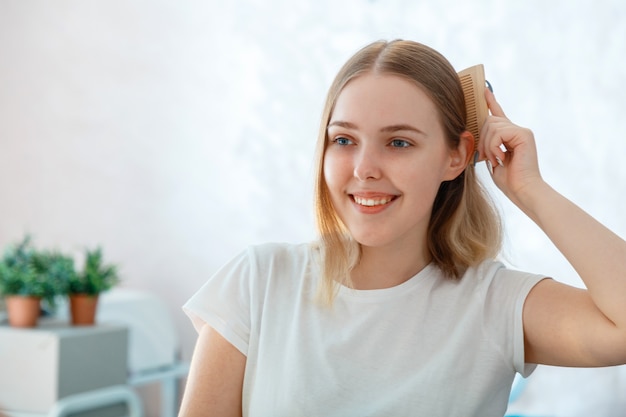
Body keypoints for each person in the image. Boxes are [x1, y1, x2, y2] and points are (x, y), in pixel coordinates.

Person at [177, 40, 626, 417]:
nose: (364, 168)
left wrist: (529, 188)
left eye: (398, 142)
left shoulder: (493, 303)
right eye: (344, 140)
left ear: (456, 156)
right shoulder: (259, 281)